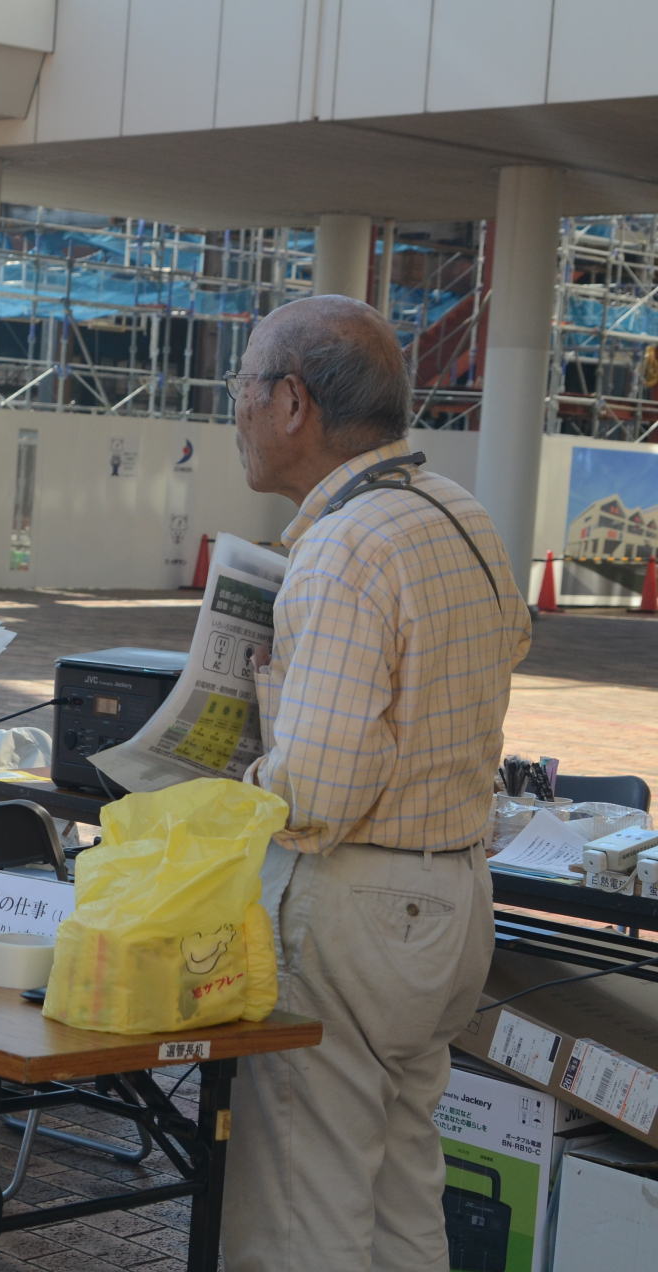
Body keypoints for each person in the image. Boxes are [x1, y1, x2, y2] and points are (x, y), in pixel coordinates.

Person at [220, 295, 532, 1271]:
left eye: (241, 387)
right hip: (450, 895)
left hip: (354, 903)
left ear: (291, 403)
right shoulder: (462, 512)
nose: (233, 411)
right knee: (403, 1197)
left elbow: (318, 789)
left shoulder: (346, 547)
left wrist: (237, 776)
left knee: (303, 1210)